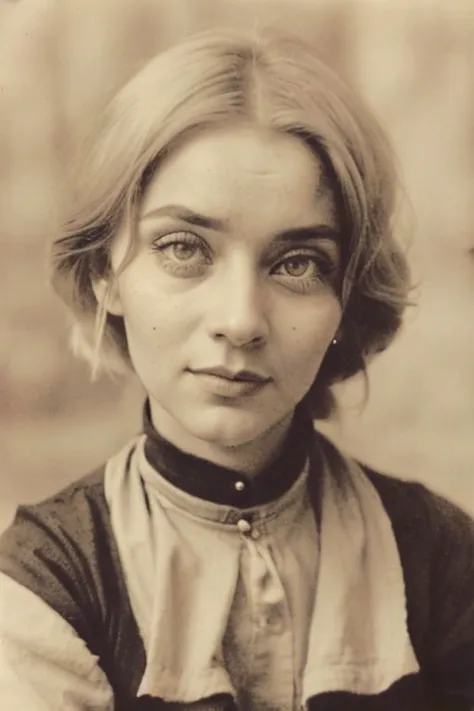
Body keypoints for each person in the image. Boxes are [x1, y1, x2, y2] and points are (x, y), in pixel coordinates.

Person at [0, 27, 473, 711]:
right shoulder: (53, 580)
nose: (242, 318)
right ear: (106, 272)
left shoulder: (438, 556)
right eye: (184, 247)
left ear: (346, 298)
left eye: (298, 262)